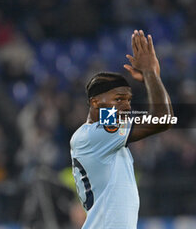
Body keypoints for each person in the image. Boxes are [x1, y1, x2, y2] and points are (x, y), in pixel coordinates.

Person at [70, 30, 173, 228]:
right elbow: (163, 119)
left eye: (127, 100)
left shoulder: (101, 136)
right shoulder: (96, 134)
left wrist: (153, 79)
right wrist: (151, 74)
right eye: (118, 100)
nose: (126, 106)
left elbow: (164, 118)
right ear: (95, 102)